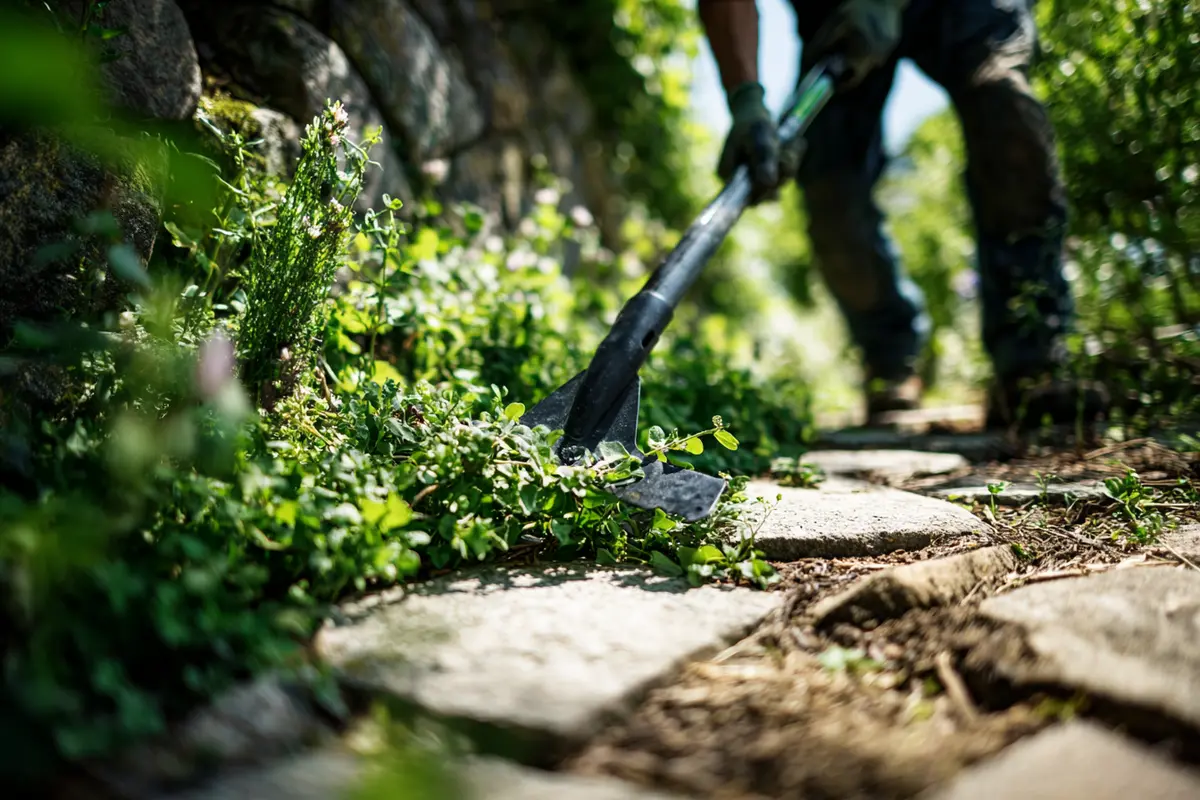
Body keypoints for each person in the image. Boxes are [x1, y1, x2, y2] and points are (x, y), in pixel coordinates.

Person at [697, 0, 1109, 430]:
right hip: (838, 13)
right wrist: (745, 102)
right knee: (831, 184)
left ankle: (1032, 360)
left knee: (1003, 106)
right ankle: (890, 361)